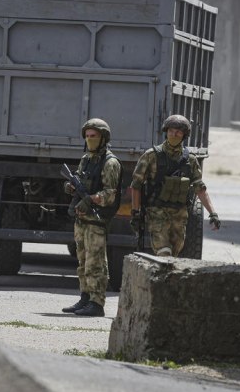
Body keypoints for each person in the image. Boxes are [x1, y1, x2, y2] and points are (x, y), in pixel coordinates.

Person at [129, 114, 221, 258]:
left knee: (174, 253)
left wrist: (213, 213)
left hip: (179, 214)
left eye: (178, 132)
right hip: (157, 212)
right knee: (164, 252)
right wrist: (135, 212)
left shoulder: (190, 160)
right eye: (171, 131)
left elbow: (200, 188)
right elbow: (136, 185)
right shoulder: (151, 156)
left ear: (184, 135)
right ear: (166, 132)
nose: (174, 135)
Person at [62, 119, 122, 317]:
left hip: (97, 220)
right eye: (87, 136)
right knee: (83, 261)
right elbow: (80, 180)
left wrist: (90, 200)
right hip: (82, 220)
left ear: (103, 138)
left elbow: (109, 194)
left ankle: (97, 303)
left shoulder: (110, 163)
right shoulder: (86, 159)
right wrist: (71, 187)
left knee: (95, 263)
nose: (89, 139)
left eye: (93, 136)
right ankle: (85, 297)